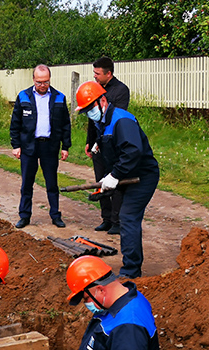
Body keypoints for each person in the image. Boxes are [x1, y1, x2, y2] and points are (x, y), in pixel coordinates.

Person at [75, 81, 159, 279]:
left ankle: (131, 271)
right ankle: (131, 264)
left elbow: (133, 151)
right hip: (126, 175)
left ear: (102, 100)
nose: (88, 113)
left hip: (143, 175)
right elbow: (115, 151)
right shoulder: (102, 121)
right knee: (124, 216)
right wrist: (108, 180)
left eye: (90, 108)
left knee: (128, 217)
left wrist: (114, 175)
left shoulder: (122, 120)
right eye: (85, 110)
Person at [9, 64, 72, 229]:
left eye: (45, 82)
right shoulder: (23, 97)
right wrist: (16, 145)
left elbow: (66, 124)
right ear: (33, 80)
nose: (42, 85)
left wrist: (65, 146)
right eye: (39, 82)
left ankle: (56, 216)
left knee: (52, 184)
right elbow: (15, 123)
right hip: (29, 146)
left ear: (50, 79)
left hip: (50, 147)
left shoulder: (59, 97)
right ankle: (24, 216)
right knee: (27, 184)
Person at [85, 57, 130, 235]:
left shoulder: (121, 90)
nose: (94, 76)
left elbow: (115, 118)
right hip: (97, 146)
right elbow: (92, 117)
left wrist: (100, 141)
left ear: (108, 73)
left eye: (97, 73)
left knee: (114, 182)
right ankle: (106, 218)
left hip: (112, 144)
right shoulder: (95, 89)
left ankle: (117, 221)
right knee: (100, 180)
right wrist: (90, 142)